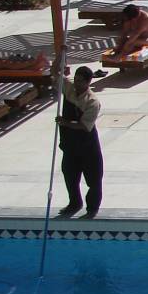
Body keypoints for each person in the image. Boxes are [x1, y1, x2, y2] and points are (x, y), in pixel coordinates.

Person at [55, 66, 102, 220]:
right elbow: (55, 73)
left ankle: (92, 208)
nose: (76, 83)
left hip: (87, 145)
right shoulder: (69, 89)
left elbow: (84, 126)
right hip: (70, 144)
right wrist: (60, 55)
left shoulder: (92, 102)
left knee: (94, 179)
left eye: (80, 81)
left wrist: (65, 122)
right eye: (75, 79)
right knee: (69, 174)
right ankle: (74, 203)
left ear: (88, 82)